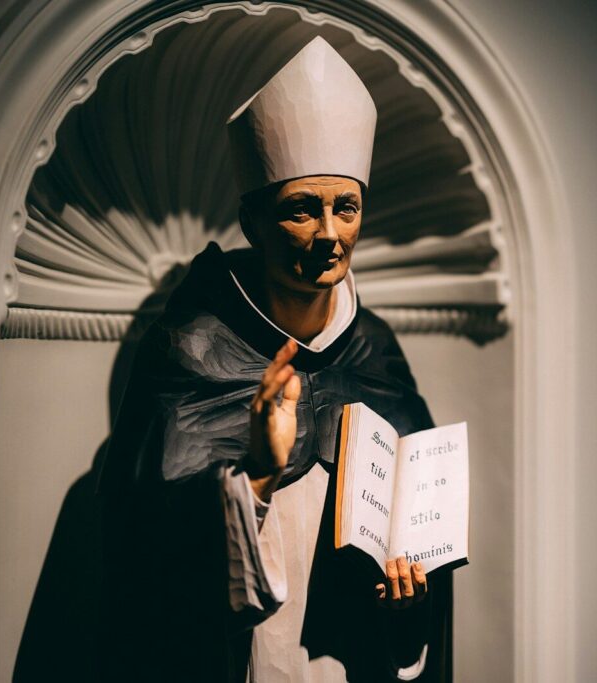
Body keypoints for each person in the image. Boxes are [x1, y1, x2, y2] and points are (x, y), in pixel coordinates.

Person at [96, 36, 452, 682]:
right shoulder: (193, 350)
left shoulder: (375, 351)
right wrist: (256, 474)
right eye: (300, 210)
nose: (328, 234)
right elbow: (146, 561)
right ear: (253, 220)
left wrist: (409, 608)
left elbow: (422, 561)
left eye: (345, 207)